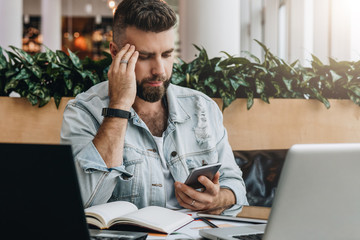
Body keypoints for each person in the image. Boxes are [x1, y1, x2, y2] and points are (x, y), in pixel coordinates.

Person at [61, 0, 248, 216]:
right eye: (144, 56)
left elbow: (235, 186)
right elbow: (82, 201)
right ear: (115, 53)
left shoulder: (202, 107)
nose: (159, 70)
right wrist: (119, 107)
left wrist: (215, 199)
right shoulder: (83, 112)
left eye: (167, 55)